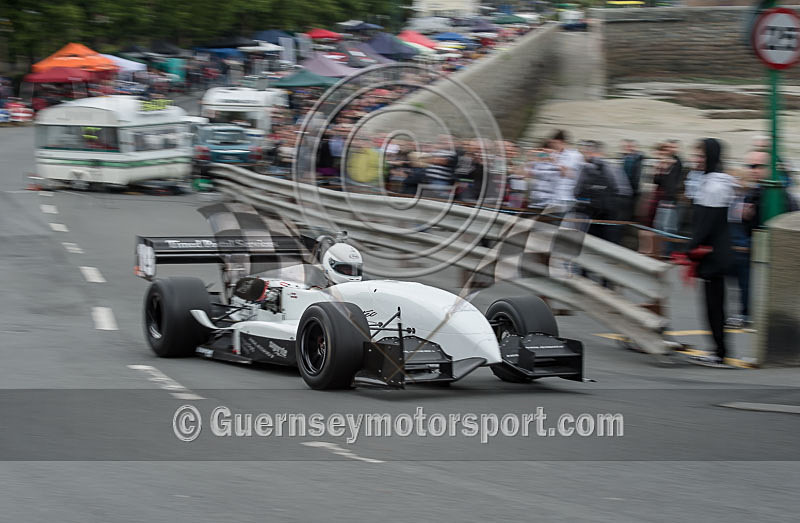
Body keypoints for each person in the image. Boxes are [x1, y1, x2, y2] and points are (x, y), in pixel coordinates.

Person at [683, 138, 737, 368]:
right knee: (715, 305)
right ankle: (718, 350)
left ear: (711, 158)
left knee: (714, 306)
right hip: (716, 252)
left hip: (714, 254)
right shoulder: (713, 181)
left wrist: (687, 249)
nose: (697, 160)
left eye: (701, 156)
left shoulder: (715, 186)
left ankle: (719, 352)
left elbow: (706, 224)